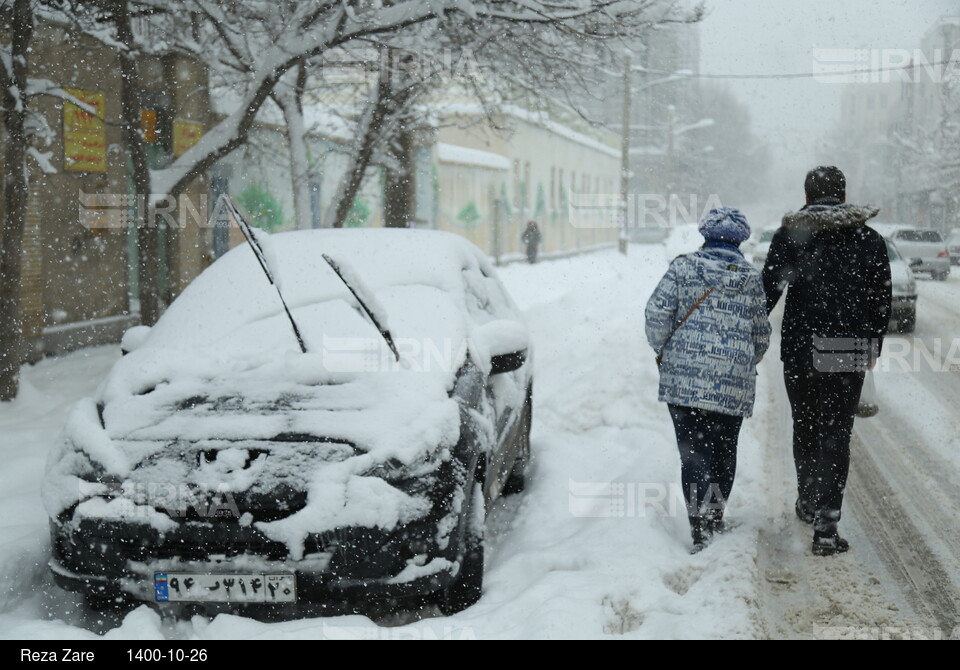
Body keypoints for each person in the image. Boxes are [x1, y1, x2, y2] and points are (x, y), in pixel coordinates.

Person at [762, 166, 891, 557]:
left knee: (805, 425)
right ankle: (827, 528)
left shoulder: (791, 236)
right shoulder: (870, 240)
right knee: (836, 435)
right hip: (845, 346)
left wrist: (746, 330)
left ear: (807, 196)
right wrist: (872, 346)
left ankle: (807, 499)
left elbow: (768, 290)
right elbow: (881, 300)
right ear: (844, 194)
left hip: (801, 349)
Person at [646, 207, 772, 553]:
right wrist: (743, 357)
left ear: (705, 234)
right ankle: (714, 517)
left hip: (684, 381)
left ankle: (698, 525)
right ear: (740, 240)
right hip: (732, 383)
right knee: (724, 450)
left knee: (694, 454)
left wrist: (665, 350)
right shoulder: (749, 277)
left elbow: (656, 315)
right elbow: (761, 334)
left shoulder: (683, 267)